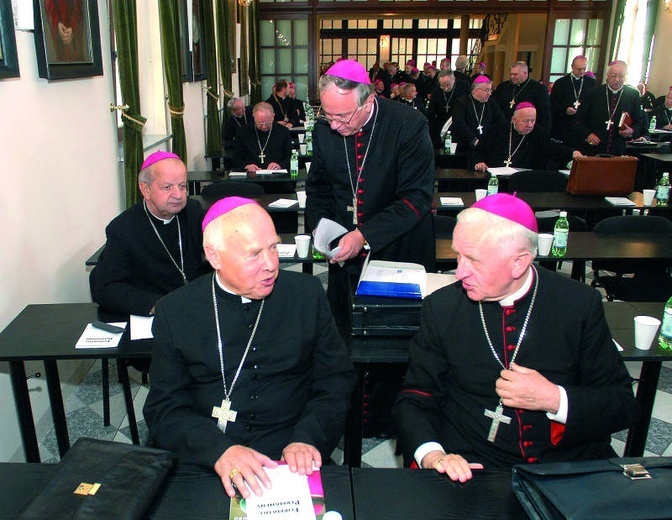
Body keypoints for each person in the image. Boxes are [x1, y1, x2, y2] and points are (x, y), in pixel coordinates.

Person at [393, 193, 640, 480]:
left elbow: (622, 403)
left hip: (565, 466)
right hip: (474, 465)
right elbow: (416, 396)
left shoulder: (578, 304)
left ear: (519, 263)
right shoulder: (442, 307)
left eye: (473, 260)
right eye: (458, 255)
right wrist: (433, 454)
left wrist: (554, 398)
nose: (459, 273)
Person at [143, 197, 356, 497]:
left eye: (273, 247)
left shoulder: (306, 295)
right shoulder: (175, 311)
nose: (271, 265)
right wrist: (219, 451)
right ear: (214, 256)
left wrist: (308, 438)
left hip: (292, 453)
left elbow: (335, 379)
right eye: (254, 254)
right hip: (206, 456)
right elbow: (163, 407)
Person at [306, 59, 435, 330]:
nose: (334, 126)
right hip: (343, 249)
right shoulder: (323, 130)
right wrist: (320, 227)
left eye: (342, 116)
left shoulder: (408, 125)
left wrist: (364, 235)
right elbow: (318, 188)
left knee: (393, 337)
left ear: (368, 102)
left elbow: (416, 198)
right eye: (327, 114)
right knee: (344, 329)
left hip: (397, 248)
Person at [90, 151, 208, 316]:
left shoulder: (193, 211)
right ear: (145, 190)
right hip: (156, 312)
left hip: (196, 305)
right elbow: (106, 288)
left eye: (182, 186)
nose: (178, 195)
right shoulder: (123, 229)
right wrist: (158, 306)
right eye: (167, 187)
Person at [473, 102, 580, 172]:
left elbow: (552, 147)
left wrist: (572, 152)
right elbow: (479, 150)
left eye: (532, 121)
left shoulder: (539, 133)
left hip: (524, 181)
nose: (529, 125)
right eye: (525, 121)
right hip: (494, 178)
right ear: (514, 120)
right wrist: (479, 162)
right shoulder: (497, 130)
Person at [573, 60, 645, 156]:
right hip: (593, 148)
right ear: (607, 76)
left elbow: (639, 121)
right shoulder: (593, 94)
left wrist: (631, 131)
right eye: (613, 75)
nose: (617, 79)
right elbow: (578, 120)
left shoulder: (633, 95)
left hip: (618, 148)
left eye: (621, 76)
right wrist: (588, 135)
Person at [451, 76, 505, 159]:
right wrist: (474, 140)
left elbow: (501, 122)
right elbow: (459, 124)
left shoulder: (491, 103)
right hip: (464, 147)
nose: (490, 93)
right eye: (487, 90)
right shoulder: (462, 102)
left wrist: (490, 140)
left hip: (485, 148)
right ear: (476, 90)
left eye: (490, 90)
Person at [232, 102, 292, 172]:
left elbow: (290, 156)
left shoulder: (283, 131)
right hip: (251, 177)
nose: (264, 126)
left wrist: (280, 165)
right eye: (260, 123)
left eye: (267, 122)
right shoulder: (243, 132)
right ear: (254, 117)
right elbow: (236, 158)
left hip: (276, 176)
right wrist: (246, 166)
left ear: (273, 116)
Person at [549, 55, 596, 143]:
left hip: (583, 126)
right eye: (579, 69)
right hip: (564, 126)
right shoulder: (561, 83)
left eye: (584, 68)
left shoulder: (591, 83)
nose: (582, 71)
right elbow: (552, 104)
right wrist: (565, 110)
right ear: (572, 67)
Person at [493, 61, 552, 131]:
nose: (512, 77)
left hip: (529, 130)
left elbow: (544, 114)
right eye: (511, 74)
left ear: (525, 73)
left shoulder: (539, 89)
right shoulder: (506, 88)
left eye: (515, 74)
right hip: (508, 129)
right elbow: (499, 109)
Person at [427, 70, 470, 147]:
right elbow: (431, 114)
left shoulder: (464, 87)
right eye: (442, 85)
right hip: (441, 124)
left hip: (459, 124)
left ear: (454, 80)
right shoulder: (436, 91)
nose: (445, 88)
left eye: (448, 85)